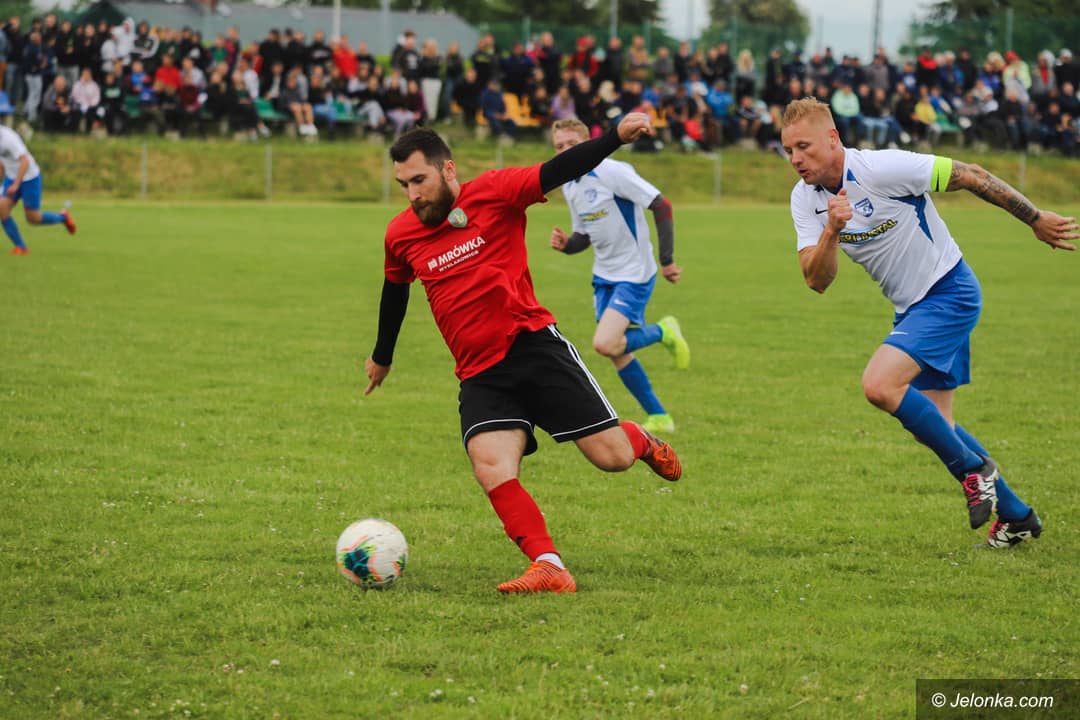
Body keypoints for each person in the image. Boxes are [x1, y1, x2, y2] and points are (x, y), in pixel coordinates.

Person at [364, 115, 682, 594]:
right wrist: (382, 355)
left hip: (534, 347)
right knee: (490, 464)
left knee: (612, 458)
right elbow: (395, 291)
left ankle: (639, 439)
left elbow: (558, 169)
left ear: (448, 169)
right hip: (479, 371)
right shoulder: (401, 234)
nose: (413, 194)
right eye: (403, 185)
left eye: (419, 180)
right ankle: (548, 564)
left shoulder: (495, 192)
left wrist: (614, 136)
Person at [780, 97, 1078, 548]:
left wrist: (1035, 218)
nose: (796, 159)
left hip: (949, 293)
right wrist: (832, 232)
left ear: (833, 138)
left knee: (879, 385)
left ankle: (974, 471)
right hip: (912, 308)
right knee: (939, 425)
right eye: (788, 150)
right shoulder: (804, 200)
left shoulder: (882, 168)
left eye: (804, 146)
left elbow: (972, 174)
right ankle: (1017, 516)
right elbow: (816, 280)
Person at [547, 117, 689, 435]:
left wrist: (667, 261)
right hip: (604, 275)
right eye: (559, 146)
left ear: (588, 143)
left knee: (605, 343)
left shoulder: (612, 172)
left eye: (572, 144)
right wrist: (567, 245)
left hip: (635, 272)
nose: (566, 151)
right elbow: (583, 235)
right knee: (616, 351)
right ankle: (659, 416)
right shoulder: (570, 185)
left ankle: (663, 331)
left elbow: (661, 205)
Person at [0, 125, 76, 255]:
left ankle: (62, 217)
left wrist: (16, 184)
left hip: (30, 177)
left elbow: (25, 161)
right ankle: (21, 247)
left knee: (33, 218)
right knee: (2, 208)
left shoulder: (8, 138)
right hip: (11, 177)